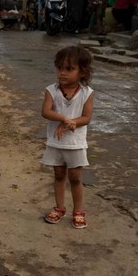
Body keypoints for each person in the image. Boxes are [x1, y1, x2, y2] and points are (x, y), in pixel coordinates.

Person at [41, 45, 95, 229]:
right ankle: (60, 207)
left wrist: (72, 123)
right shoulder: (52, 90)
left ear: (82, 72)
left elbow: (86, 118)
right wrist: (64, 118)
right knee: (58, 174)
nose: (62, 73)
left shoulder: (87, 93)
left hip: (76, 143)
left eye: (69, 69)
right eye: (60, 68)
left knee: (75, 177)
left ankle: (78, 211)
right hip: (56, 142)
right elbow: (46, 112)